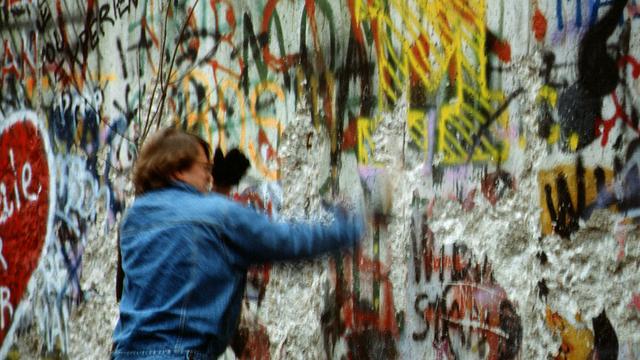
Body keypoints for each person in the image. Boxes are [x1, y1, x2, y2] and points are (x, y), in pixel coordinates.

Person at [112, 128, 363, 359]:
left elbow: (126, 292)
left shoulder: (134, 219)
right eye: (204, 167)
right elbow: (287, 241)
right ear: (177, 169)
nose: (209, 177)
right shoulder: (217, 214)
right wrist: (352, 228)